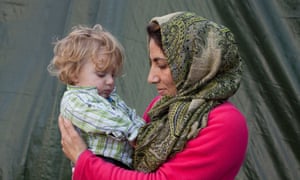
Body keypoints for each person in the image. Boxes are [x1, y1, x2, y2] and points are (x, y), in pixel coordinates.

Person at [59, 11, 248, 179]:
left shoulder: (226, 123)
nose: (151, 77)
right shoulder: (161, 106)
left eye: (162, 65)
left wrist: (84, 160)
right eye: (151, 63)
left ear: (196, 65)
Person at [48, 24, 145, 169]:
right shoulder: (74, 99)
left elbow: (130, 114)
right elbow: (98, 118)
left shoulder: (111, 99)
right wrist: (131, 131)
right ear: (74, 73)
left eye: (113, 74)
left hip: (122, 166)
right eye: (101, 74)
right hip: (98, 163)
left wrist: (144, 132)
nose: (110, 81)